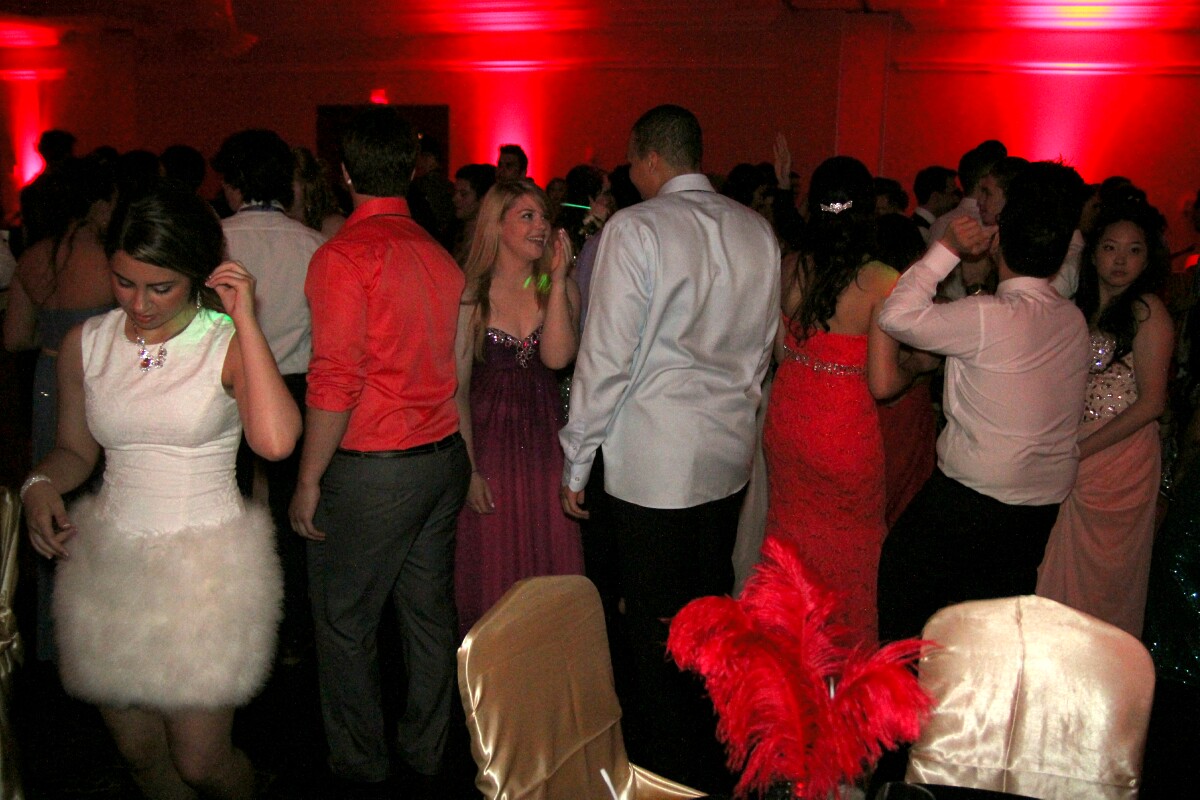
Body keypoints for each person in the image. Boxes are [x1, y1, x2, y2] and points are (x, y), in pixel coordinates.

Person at [19, 182, 300, 799]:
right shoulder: (86, 342)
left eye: (161, 287)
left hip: (206, 572)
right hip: (111, 567)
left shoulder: (225, 340)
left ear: (197, 273)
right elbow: (75, 452)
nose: (139, 303)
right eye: (124, 282)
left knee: (202, 761)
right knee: (141, 755)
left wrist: (245, 320)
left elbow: (277, 442)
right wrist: (38, 483)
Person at [559, 104, 779, 792]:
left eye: (631, 162)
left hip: (654, 461)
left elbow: (606, 357)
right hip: (728, 454)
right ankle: (714, 752)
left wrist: (577, 456)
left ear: (650, 157)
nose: (630, 174)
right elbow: (762, 351)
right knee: (707, 613)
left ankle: (663, 773)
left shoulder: (636, 228)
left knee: (653, 631)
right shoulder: (756, 229)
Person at [288, 107, 469, 797]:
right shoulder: (436, 253)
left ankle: (361, 768)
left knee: (344, 622)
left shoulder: (345, 256)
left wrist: (309, 477)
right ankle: (428, 751)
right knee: (428, 618)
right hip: (440, 457)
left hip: (377, 467)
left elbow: (336, 379)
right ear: (412, 169)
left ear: (343, 173)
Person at [876, 161, 1090, 644]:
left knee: (907, 594)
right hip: (1040, 502)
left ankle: (906, 688)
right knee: (992, 622)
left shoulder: (988, 315)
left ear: (999, 243)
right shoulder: (1071, 320)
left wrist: (945, 250)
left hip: (975, 495)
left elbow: (896, 315)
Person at [763, 156, 930, 647]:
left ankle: (788, 655)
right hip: (842, 434)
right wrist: (920, 366)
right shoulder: (881, 279)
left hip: (789, 423)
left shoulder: (792, 265)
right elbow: (882, 383)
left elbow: (782, 353)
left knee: (790, 545)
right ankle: (842, 666)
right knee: (850, 555)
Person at [213, 128, 327, 663]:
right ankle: (295, 632)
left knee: (230, 507)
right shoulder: (313, 244)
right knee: (290, 516)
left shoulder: (216, 239)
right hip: (296, 388)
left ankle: (235, 627)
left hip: (228, 383)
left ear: (234, 182)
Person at [1037, 199, 1172, 636]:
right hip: (1078, 445)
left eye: (1134, 250)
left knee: (1106, 575)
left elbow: (1152, 403)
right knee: (1060, 560)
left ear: (1147, 259)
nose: (1120, 260)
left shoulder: (1147, 311)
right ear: (1093, 253)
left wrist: (1080, 449)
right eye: (1111, 247)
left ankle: (1097, 664)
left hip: (1121, 455)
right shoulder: (1080, 306)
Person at [453, 179, 583, 634]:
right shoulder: (469, 294)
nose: (541, 225)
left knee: (549, 549)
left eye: (544, 216)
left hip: (545, 438)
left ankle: (548, 664)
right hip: (490, 441)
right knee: (493, 555)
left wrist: (560, 280)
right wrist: (469, 468)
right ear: (497, 224)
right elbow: (456, 390)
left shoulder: (551, 286)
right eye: (527, 216)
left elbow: (558, 359)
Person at [4, 154, 117, 662]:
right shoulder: (109, 259)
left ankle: (59, 638)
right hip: (102, 379)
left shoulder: (34, 258)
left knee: (53, 501)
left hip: (49, 379)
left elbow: (14, 338)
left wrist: (52, 340)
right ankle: (103, 629)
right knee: (99, 501)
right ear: (96, 205)